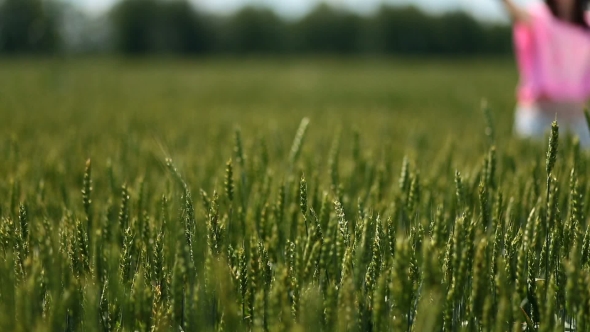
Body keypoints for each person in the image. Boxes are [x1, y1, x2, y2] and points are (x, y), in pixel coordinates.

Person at [501, 0, 590, 147]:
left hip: (579, 124)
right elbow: (516, 13)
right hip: (539, 122)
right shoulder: (539, 18)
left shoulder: (587, 25)